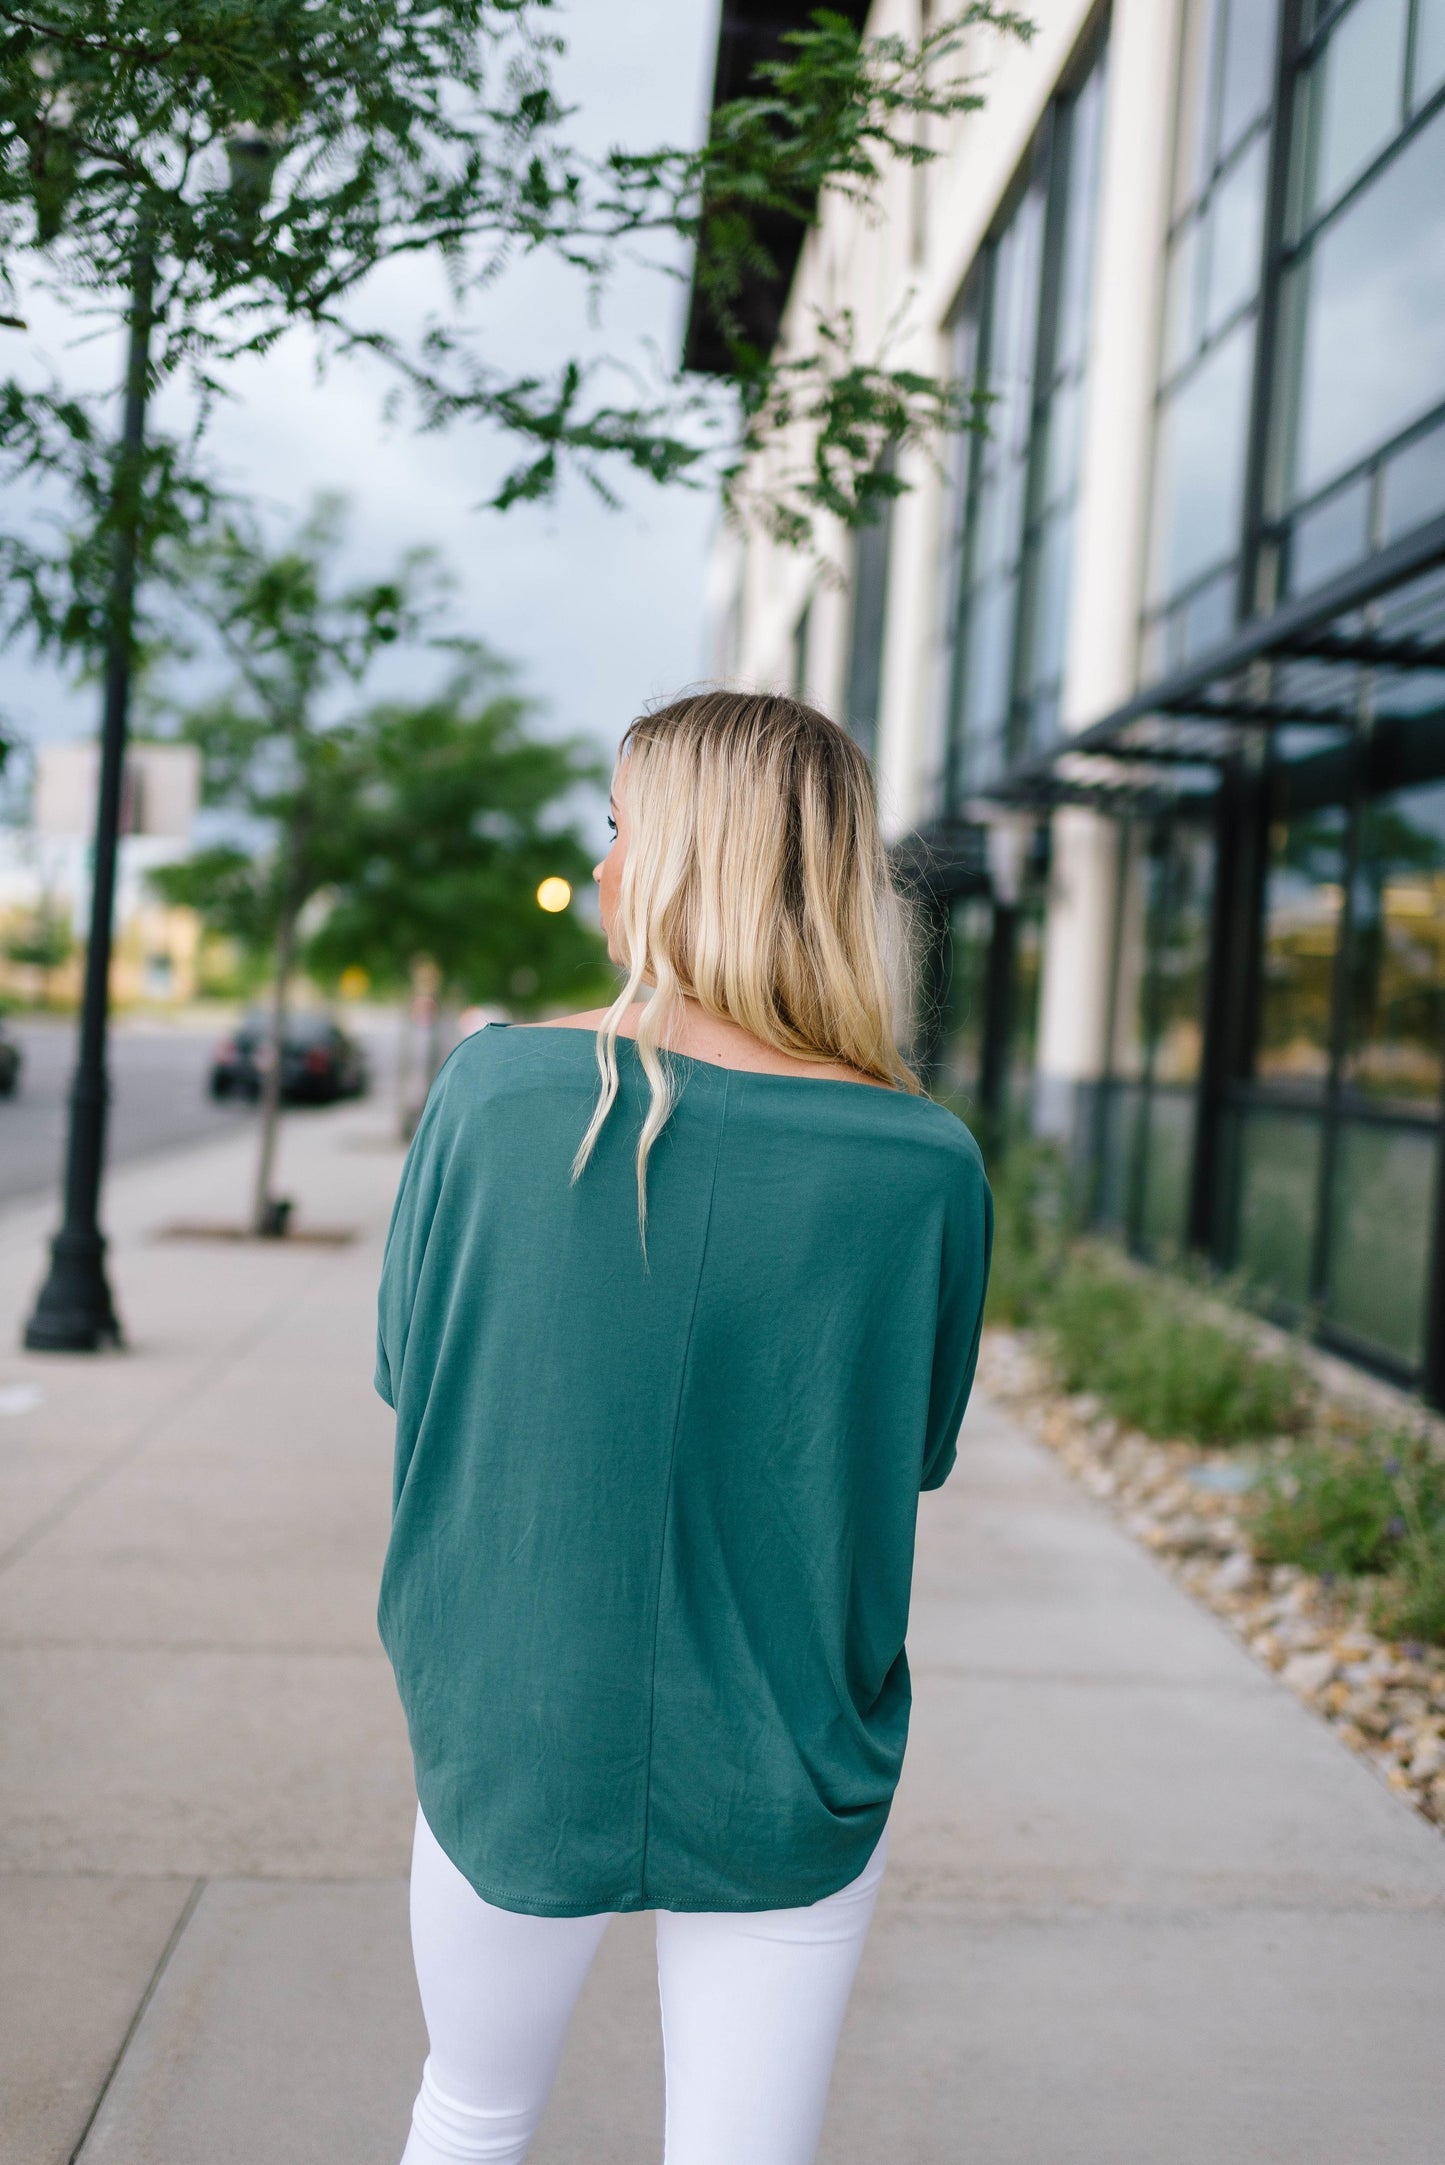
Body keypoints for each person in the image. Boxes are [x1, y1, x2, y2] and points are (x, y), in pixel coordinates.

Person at [375, 689, 993, 2165]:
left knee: (470, 2111)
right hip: (790, 1737)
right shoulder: (925, 1166)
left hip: (516, 1718)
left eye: (614, 828)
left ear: (675, 858)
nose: (598, 867)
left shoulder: (495, 1092)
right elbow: (905, 1448)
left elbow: (414, 1372)